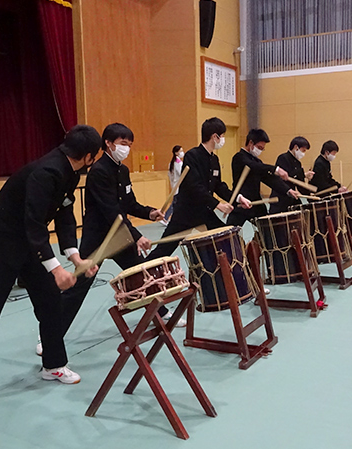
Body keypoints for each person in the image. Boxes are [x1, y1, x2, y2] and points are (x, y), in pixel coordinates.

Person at [0, 125, 102, 414]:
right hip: (3, 243)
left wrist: (74, 257)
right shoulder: (46, 173)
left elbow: (64, 213)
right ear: (89, 156)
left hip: (28, 243)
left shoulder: (70, 171)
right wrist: (56, 269)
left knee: (50, 302)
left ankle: (53, 365)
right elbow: (34, 225)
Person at [54, 123, 173, 350]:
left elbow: (128, 204)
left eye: (129, 144)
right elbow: (112, 211)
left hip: (120, 236)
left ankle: (161, 310)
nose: (126, 148)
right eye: (122, 144)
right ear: (108, 144)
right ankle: (51, 333)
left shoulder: (123, 170)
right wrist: (137, 236)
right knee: (80, 285)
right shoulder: (98, 172)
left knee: (141, 273)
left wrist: (149, 212)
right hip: (98, 238)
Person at [146, 117, 252, 261]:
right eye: (222, 136)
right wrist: (217, 204)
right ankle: (141, 276)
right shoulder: (192, 156)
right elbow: (194, 187)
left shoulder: (214, 160)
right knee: (164, 249)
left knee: (229, 239)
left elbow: (218, 186)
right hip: (186, 213)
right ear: (215, 136)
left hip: (204, 213)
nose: (223, 139)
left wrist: (238, 198)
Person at [227, 128, 298, 227]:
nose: (260, 151)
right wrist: (276, 169)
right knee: (230, 233)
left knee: (267, 229)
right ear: (251, 143)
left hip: (256, 202)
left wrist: (288, 190)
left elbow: (269, 179)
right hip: (242, 202)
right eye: (259, 147)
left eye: (262, 149)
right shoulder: (239, 157)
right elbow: (253, 166)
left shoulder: (257, 161)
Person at [269, 136, 315, 214]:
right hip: (280, 197)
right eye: (303, 150)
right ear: (296, 147)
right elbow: (282, 179)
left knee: (303, 211)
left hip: (291, 197)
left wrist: (310, 195)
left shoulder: (298, 163)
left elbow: (300, 183)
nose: (303, 154)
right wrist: (301, 174)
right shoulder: (283, 158)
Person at [163, 145, 184, 225]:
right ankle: (165, 217)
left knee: (176, 203)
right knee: (175, 203)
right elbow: (181, 173)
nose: (182, 152)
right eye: (181, 151)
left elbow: (170, 176)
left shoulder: (171, 163)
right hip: (178, 186)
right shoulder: (178, 163)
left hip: (174, 185)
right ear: (176, 153)